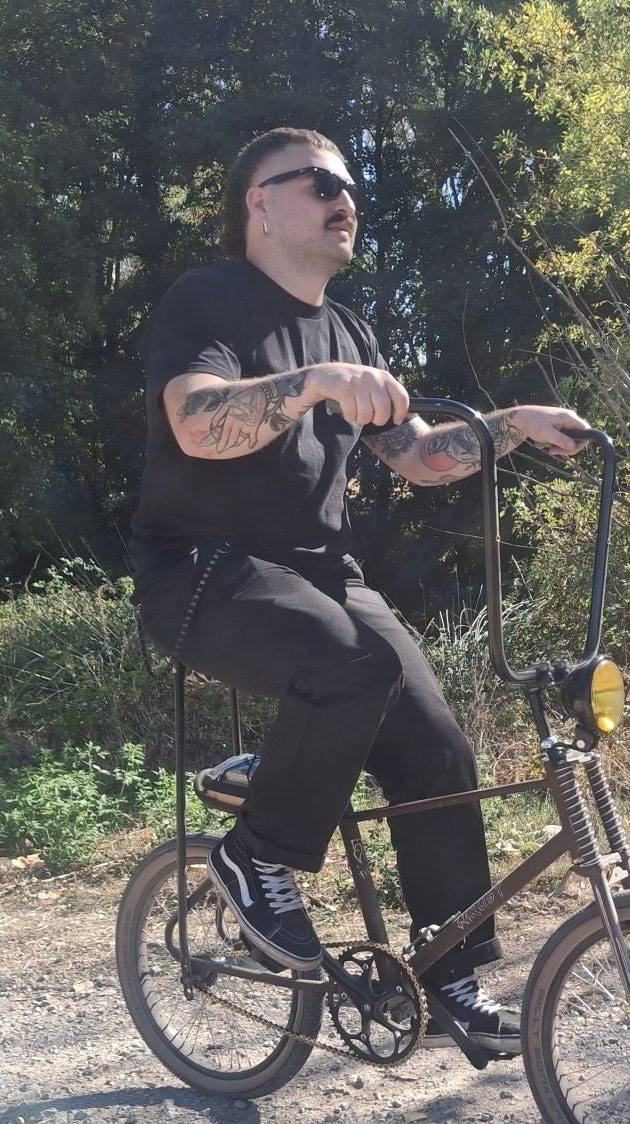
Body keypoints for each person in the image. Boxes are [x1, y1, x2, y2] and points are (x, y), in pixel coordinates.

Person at [130, 127, 591, 1056]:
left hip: (321, 573)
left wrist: (512, 424)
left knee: (436, 747)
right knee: (348, 664)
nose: (348, 196)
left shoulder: (350, 329)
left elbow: (418, 456)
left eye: (352, 183)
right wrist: (309, 384)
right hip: (199, 568)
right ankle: (258, 855)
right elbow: (196, 425)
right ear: (260, 203)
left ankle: (449, 971)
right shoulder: (207, 298)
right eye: (322, 182)